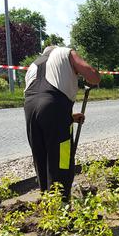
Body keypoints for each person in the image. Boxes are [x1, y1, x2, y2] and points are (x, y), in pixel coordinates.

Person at [24, 46, 100, 199]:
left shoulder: (33, 65)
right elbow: (93, 76)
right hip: (55, 108)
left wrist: (69, 118)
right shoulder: (65, 52)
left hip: (30, 109)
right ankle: (61, 205)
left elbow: (42, 102)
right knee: (61, 160)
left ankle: (47, 202)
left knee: (41, 157)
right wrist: (91, 78)